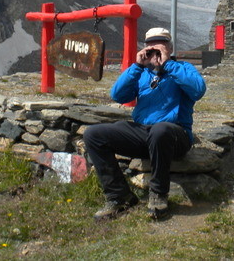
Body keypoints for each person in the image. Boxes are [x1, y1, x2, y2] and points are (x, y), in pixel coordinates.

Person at [83, 27, 206, 220]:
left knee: (160, 130)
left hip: (175, 135)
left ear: (170, 47)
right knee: (94, 134)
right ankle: (119, 197)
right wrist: (137, 66)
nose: (155, 48)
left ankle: (158, 195)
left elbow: (198, 90)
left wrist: (168, 65)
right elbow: (117, 95)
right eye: (150, 44)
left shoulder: (183, 68)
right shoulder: (141, 73)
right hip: (144, 133)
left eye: (161, 43)